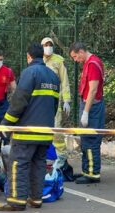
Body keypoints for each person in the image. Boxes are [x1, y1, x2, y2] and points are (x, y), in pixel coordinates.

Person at [0, 43, 60, 211]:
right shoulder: (53, 77)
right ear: (43, 56)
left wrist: (6, 123)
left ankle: (16, 201)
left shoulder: (29, 73)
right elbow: (54, 106)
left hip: (26, 132)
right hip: (45, 132)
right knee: (39, 164)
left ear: (29, 56)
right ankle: (36, 199)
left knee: (19, 164)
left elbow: (19, 102)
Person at [69, 42, 105, 184]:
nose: (75, 60)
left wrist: (86, 112)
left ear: (81, 52)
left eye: (75, 56)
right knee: (85, 139)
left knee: (91, 139)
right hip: (88, 104)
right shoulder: (88, 63)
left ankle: (93, 173)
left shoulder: (93, 64)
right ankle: (86, 170)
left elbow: (93, 90)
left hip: (93, 107)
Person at [41, 37, 72, 169]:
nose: (48, 47)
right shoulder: (38, 60)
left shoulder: (58, 60)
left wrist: (66, 100)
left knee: (56, 129)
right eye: (46, 45)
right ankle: (45, 157)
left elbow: (64, 81)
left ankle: (62, 157)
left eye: (50, 45)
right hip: (40, 101)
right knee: (41, 130)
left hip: (55, 101)